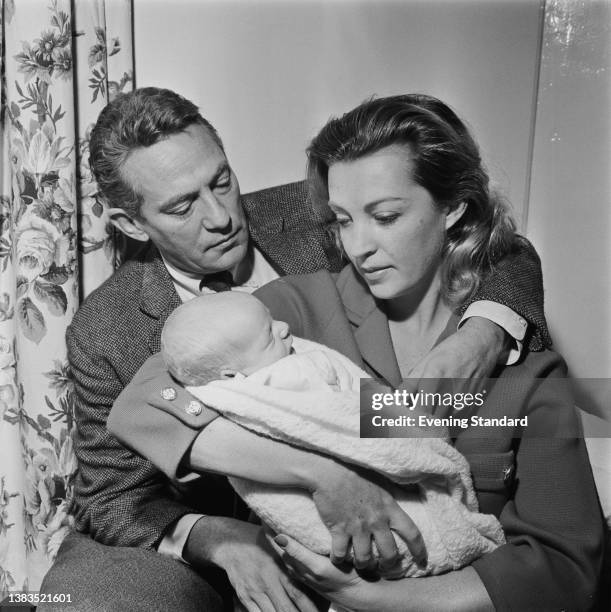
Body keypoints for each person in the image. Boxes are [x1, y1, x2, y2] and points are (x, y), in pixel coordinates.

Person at [40, 87, 551, 612]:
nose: (219, 217)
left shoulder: (321, 214)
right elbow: (111, 496)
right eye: (182, 207)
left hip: (365, 530)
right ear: (131, 225)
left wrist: (482, 332)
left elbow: (494, 243)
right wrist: (229, 539)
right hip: (209, 533)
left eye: (221, 181)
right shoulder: (105, 326)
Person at [157, 291, 506, 580]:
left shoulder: (235, 366)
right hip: (319, 537)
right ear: (231, 375)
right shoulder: (271, 377)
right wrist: (326, 474)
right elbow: (343, 417)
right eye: (268, 334)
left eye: (271, 318)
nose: (283, 327)